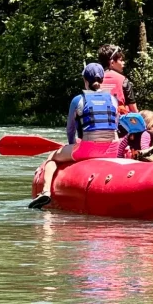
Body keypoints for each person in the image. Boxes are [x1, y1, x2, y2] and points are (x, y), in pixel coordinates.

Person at [29, 63, 120, 209]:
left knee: (52, 157)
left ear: (85, 80)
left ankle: (46, 191)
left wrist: (72, 145)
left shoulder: (78, 100)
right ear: (102, 79)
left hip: (88, 150)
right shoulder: (114, 100)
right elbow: (115, 125)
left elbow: (70, 129)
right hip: (112, 150)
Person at [97, 44, 138, 115]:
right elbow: (134, 110)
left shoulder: (95, 79)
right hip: (119, 123)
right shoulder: (123, 80)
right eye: (121, 60)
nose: (123, 63)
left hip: (98, 122)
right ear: (112, 62)